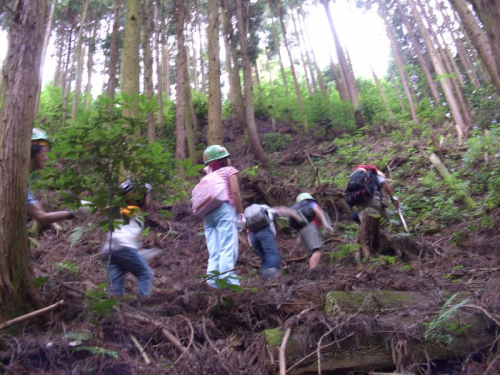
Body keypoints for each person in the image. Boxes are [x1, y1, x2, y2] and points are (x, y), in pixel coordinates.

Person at [100, 180, 156, 299]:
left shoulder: (133, 213)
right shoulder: (134, 210)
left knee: (117, 283)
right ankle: (143, 302)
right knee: (145, 274)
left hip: (108, 249)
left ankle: (115, 307)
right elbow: (124, 211)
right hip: (123, 246)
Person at [201, 145, 245, 288]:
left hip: (208, 213)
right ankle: (228, 280)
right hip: (224, 209)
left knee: (214, 250)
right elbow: (235, 192)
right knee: (227, 245)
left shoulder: (208, 175)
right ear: (224, 159)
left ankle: (212, 282)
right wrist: (240, 213)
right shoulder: (228, 171)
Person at [28, 128, 91, 225]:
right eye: (44, 152)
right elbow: (41, 217)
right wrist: (76, 212)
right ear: (33, 150)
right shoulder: (15, 181)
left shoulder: (25, 179)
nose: (46, 157)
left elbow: (41, 214)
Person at [347, 164, 399, 261]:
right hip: (373, 200)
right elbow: (385, 185)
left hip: (358, 203)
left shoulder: (354, 175)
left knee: (365, 226)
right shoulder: (374, 174)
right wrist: (393, 198)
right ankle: (384, 250)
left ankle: (366, 251)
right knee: (385, 225)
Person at [245, 204, 302, 281]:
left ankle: (264, 278)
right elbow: (284, 210)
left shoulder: (249, 219)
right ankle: (274, 281)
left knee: (264, 258)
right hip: (265, 234)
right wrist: (300, 219)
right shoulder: (269, 211)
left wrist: (251, 243)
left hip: (253, 236)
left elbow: (247, 230)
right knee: (271, 254)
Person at [290, 193, 331, 269]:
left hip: (301, 231)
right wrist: (324, 223)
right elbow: (317, 210)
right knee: (317, 250)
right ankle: (313, 271)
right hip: (310, 227)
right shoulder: (310, 203)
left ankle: (311, 271)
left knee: (311, 253)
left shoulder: (297, 207)